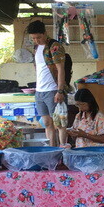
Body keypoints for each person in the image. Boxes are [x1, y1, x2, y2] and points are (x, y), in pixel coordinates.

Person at [28, 19, 71, 147]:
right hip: (40, 91)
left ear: (45, 33)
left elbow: (60, 69)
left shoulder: (54, 46)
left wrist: (60, 90)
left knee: (60, 123)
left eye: (39, 37)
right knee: (47, 122)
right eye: (34, 38)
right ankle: (51, 149)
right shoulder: (36, 47)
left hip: (53, 90)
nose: (36, 40)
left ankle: (63, 148)